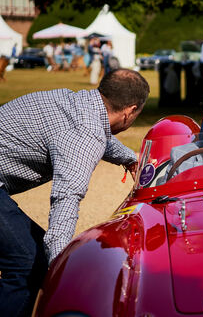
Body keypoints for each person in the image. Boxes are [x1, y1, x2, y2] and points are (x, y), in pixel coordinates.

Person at [0, 68, 150, 317]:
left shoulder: (81, 104)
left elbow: (97, 133)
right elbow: (65, 203)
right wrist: (63, 276)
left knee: (29, 256)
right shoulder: (85, 135)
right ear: (131, 111)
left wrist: (130, 159)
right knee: (27, 261)